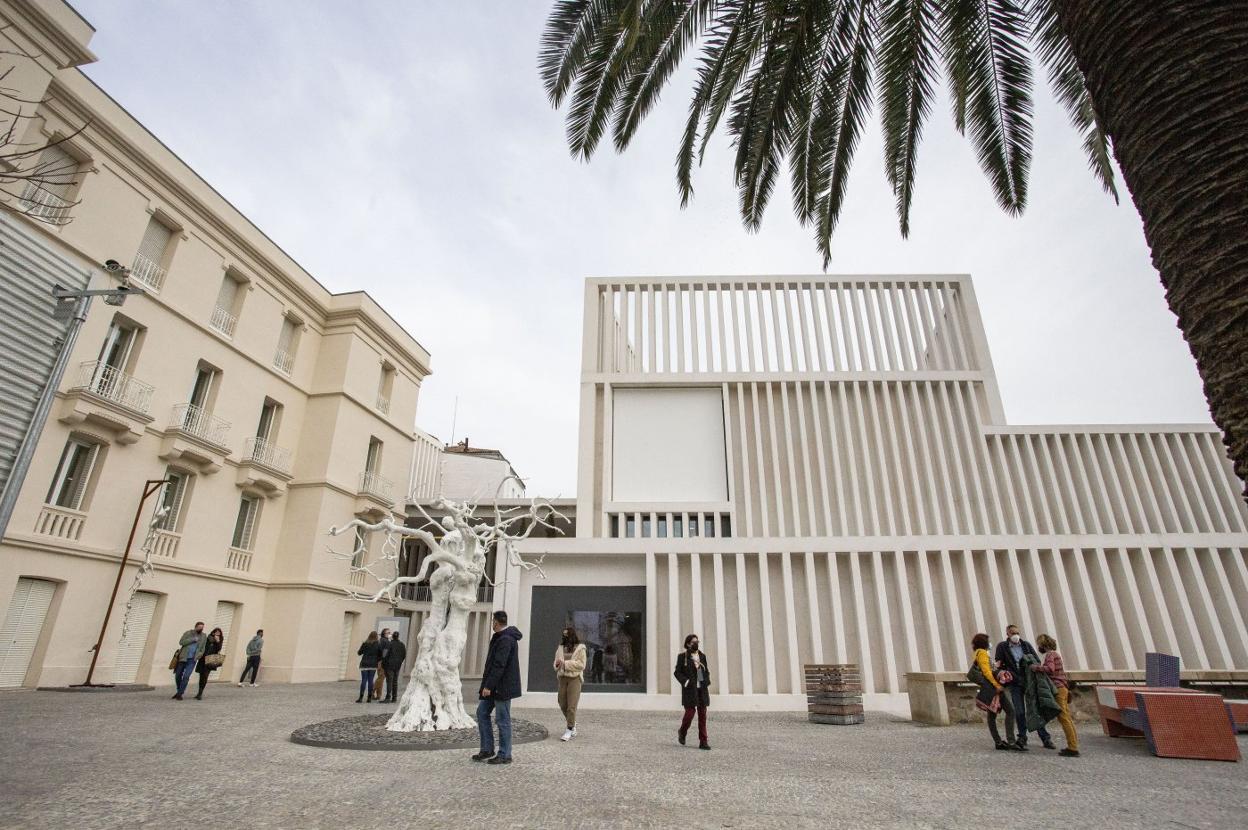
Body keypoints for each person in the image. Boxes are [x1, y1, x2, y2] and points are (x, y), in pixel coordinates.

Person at [472, 610, 523, 765]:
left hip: (501, 687)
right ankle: (487, 749)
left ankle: (505, 754)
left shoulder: (506, 639)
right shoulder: (501, 638)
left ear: (496, 622)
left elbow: (499, 665)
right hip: (495, 686)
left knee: (502, 720)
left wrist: (488, 686)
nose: (491, 624)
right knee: (482, 713)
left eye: (492, 621)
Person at [994, 624, 1054, 750]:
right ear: (1008, 634)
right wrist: (1005, 673)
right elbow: (999, 664)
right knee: (1019, 711)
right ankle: (1022, 737)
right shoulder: (1002, 647)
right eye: (1012, 633)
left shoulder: (1025, 645)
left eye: (1017, 632)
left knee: (1034, 710)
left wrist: (1031, 666)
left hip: (1029, 681)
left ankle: (1045, 738)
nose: (1016, 635)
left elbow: (1036, 660)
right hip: (1015, 683)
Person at [969, 632, 1017, 750]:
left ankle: (998, 741)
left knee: (992, 714)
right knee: (1010, 711)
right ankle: (1010, 741)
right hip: (993, 687)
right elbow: (986, 672)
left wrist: (995, 665)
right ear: (984, 643)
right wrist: (996, 685)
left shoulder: (978, 653)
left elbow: (987, 668)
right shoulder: (983, 653)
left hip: (988, 688)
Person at [1034, 634, 1079, 757]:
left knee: (1063, 717)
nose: (1039, 647)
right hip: (1063, 687)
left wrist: (1036, 668)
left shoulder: (1050, 655)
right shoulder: (1056, 654)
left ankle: (1073, 747)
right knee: (1067, 717)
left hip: (1057, 688)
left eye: (1039, 645)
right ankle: (1073, 744)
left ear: (1043, 645)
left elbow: (1050, 669)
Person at [674, 633, 711, 750]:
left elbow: (706, 671)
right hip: (690, 690)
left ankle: (703, 741)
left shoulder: (702, 656)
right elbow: (677, 672)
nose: (696, 644)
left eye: (697, 642)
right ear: (688, 644)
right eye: (693, 642)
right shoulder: (682, 657)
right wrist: (686, 682)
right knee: (689, 714)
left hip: (701, 689)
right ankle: (682, 731)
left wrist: (706, 681)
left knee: (702, 715)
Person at [553, 626, 587, 741]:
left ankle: (569, 729)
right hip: (562, 678)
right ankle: (573, 722)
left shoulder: (580, 648)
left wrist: (565, 663)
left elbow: (581, 665)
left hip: (575, 678)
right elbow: (555, 663)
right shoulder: (560, 647)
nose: (565, 636)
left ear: (572, 635)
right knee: (562, 702)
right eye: (563, 634)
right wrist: (557, 664)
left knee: (571, 706)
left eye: (567, 634)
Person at [171, 621, 207, 701]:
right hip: (183, 657)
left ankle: (180, 694)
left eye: (202, 627)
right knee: (178, 675)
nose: (201, 629)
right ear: (196, 626)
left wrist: (199, 655)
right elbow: (181, 642)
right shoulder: (188, 633)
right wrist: (192, 639)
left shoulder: (204, 636)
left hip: (192, 660)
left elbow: (202, 648)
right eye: (200, 627)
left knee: (186, 676)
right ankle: (179, 691)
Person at [193, 627, 224, 700]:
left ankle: (200, 693)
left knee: (205, 676)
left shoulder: (220, 640)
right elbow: (203, 646)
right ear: (213, 632)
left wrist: (217, 641)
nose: (217, 634)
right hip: (203, 659)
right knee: (201, 676)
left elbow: (218, 649)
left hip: (211, 660)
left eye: (219, 633)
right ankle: (199, 692)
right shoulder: (208, 638)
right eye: (216, 632)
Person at [357, 631, 382, 703]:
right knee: (371, 681)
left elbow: (359, 653)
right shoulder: (378, 644)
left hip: (364, 663)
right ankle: (369, 698)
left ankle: (361, 697)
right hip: (373, 664)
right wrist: (377, 659)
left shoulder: (365, 643)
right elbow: (381, 655)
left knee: (364, 680)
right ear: (376, 636)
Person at [382, 634, 407, 703]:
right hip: (397, 665)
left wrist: (383, 664)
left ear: (393, 637)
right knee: (395, 681)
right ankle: (394, 697)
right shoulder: (402, 645)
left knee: (389, 681)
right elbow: (404, 654)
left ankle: (388, 697)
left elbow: (385, 655)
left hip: (389, 665)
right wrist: (400, 661)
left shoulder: (389, 644)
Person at [373, 628, 391, 701]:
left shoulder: (381, 640)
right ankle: (372, 691)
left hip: (379, 661)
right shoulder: (385, 641)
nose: (389, 634)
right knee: (381, 678)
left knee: (381, 678)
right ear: (384, 634)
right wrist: (384, 660)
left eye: (390, 632)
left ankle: (378, 695)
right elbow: (384, 653)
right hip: (382, 662)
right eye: (388, 633)